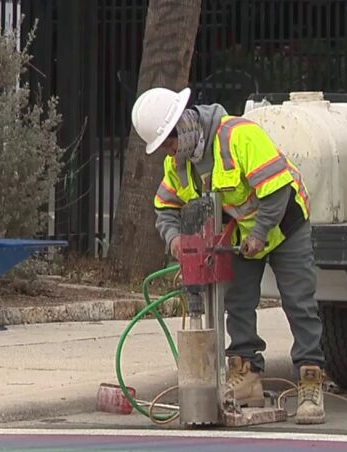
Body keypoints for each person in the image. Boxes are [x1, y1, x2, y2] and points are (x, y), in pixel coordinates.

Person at [130, 86, 327, 425]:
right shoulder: (178, 165)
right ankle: (246, 373)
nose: (170, 150)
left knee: (298, 301)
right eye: (163, 146)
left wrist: (260, 234)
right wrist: (176, 239)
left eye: (169, 141)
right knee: (237, 302)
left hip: (286, 225)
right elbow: (164, 209)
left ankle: (310, 380)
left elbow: (277, 190)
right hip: (244, 234)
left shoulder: (239, 135)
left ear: (184, 125)